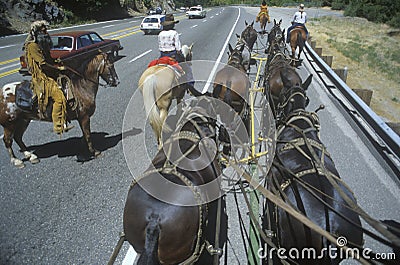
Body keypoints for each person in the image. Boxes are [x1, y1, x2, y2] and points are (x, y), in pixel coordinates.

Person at [24, 20, 72, 135]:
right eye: (43, 30)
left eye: (46, 29)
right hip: (42, 77)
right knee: (59, 97)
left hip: (49, 73)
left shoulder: (42, 45)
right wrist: (58, 69)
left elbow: (48, 60)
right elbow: (43, 64)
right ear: (37, 32)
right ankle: (58, 126)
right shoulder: (32, 46)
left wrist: (57, 61)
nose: (46, 31)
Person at [158, 14, 194, 89]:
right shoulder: (174, 33)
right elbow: (178, 48)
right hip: (173, 55)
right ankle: (191, 86)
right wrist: (181, 55)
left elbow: (160, 47)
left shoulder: (160, 34)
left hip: (162, 56)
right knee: (188, 69)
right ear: (172, 25)